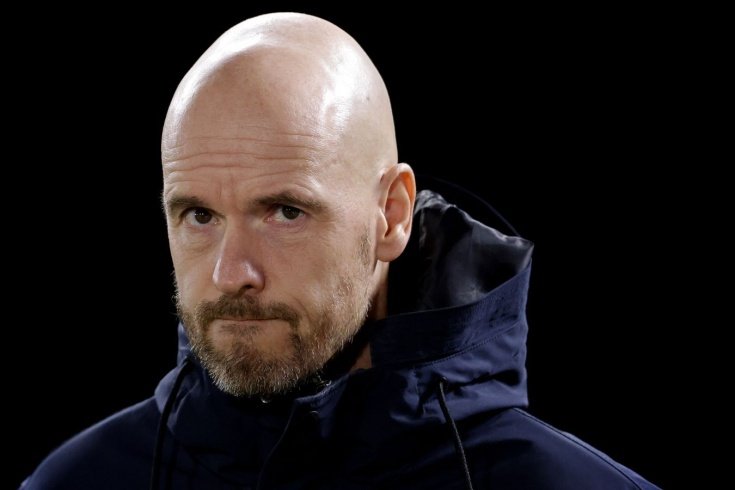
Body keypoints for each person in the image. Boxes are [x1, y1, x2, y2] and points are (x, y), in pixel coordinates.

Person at [21, 12, 660, 490]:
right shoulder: (78, 481)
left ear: (392, 216)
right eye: (199, 215)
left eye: (285, 212)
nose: (230, 273)